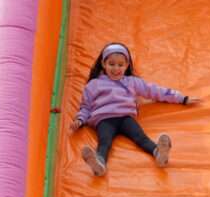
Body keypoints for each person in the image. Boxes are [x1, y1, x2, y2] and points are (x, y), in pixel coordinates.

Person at [69, 42, 201, 177]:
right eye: (111, 64)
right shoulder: (94, 84)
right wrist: (80, 120)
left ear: (127, 66)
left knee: (141, 138)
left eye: (120, 65)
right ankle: (99, 164)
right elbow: (86, 106)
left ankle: (159, 154)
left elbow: (155, 91)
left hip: (125, 117)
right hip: (104, 118)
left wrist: (181, 98)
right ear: (103, 64)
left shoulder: (132, 82)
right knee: (104, 142)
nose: (116, 68)